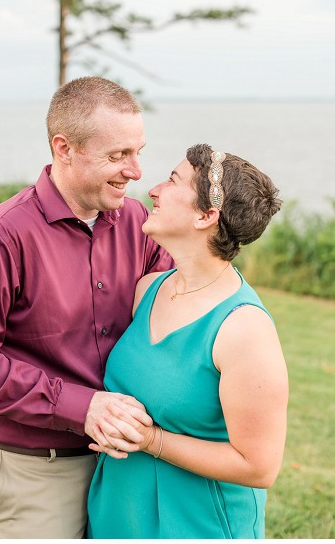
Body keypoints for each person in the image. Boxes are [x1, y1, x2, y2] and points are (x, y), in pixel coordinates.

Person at [0, 76, 174, 539]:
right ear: (64, 148)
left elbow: (179, 307)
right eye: (117, 156)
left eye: (138, 152)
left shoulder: (138, 224)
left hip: (125, 463)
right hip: (35, 470)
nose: (135, 171)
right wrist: (81, 405)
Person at [86, 144, 288, 538]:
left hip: (196, 523)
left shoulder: (243, 328)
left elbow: (260, 466)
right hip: (117, 511)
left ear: (205, 215)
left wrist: (150, 440)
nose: (154, 190)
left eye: (173, 180)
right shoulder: (147, 289)